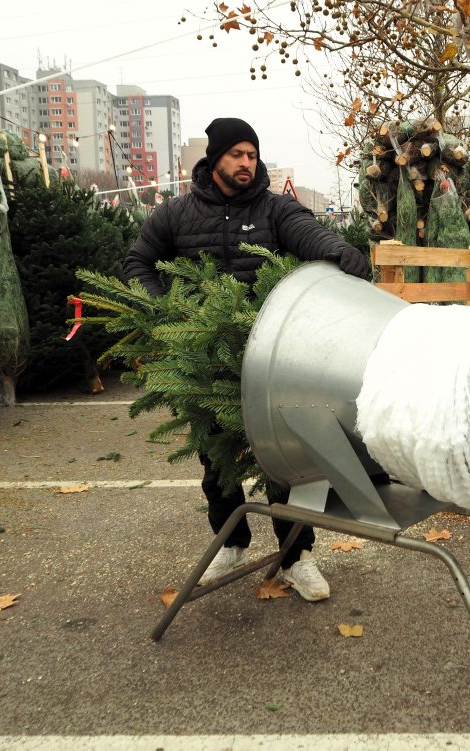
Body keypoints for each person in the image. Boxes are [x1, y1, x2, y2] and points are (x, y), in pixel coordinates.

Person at [123, 117, 369, 600]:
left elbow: (307, 234)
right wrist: (166, 311)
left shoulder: (276, 209)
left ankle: (297, 558)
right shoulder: (175, 214)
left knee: (286, 460)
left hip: (272, 357)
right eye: (236, 154)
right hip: (203, 358)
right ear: (214, 158)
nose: (246, 163)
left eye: (252, 155)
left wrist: (339, 251)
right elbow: (138, 262)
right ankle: (230, 542)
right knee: (218, 461)